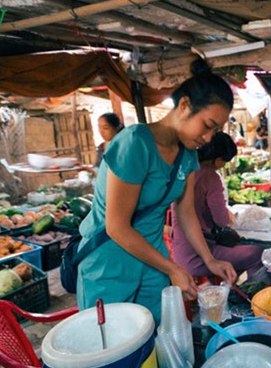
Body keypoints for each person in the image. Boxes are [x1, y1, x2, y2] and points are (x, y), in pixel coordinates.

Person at [76, 58, 237, 325]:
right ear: (184, 105)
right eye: (207, 125)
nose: (209, 138)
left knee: (157, 338)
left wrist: (210, 260)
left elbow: (185, 213)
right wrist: (173, 268)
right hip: (110, 263)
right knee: (115, 348)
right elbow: (117, 226)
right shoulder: (134, 143)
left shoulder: (188, 156)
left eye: (216, 130)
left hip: (153, 262)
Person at [172, 132, 264, 278]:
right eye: (225, 161)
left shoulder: (184, 171)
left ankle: (230, 287)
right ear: (218, 160)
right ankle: (249, 295)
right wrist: (228, 215)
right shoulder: (210, 176)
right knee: (257, 253)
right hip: (198, 256)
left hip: (180, 251)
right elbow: (221, 220)